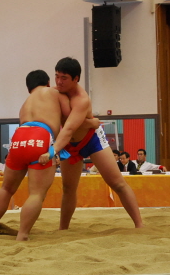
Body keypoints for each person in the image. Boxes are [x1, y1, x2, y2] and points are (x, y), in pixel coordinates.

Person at [0, 70, 97, 241]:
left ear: (29, 88)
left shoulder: (25, 103)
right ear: (48, 83)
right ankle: (22, 234)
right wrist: (92, 122)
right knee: (36, 193)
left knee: (6, 188)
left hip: (19, 137)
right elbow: (71, 118)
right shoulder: (54, 93)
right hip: (41, 136)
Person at [45, 57, 143, 230]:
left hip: (91, 140)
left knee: (117, 183)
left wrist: (52, 151)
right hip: (69, 143)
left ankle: (139, 224)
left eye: (64, 78)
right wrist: (90, 122)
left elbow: (69, 127)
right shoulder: (54, 93)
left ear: (76, 79)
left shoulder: (81, 99)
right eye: (57, 76)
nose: (59, 81)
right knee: (68, 188)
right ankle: (63, 229)